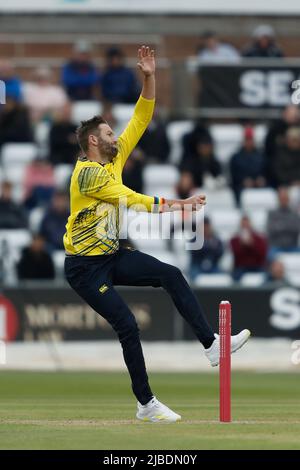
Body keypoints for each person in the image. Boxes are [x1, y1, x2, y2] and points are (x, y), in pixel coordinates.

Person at [64, 45, 250, 423]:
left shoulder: (112, 157)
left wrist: (149, 77)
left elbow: (142, 116)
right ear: (93, 142)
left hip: (112, 253)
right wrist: (179, 204)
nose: (117, 136)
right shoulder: (87, 173)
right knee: (128, 325)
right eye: (109, 132)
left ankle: (212, 345)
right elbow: (130, 199)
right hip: (85, 268)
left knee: (170, 273)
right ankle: (146, 404)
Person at [230, 126, 266, 204]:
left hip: (258, 186)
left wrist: (261, 179)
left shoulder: (261, 156)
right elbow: (233, 175)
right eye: (247, 139)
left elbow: (266, 171)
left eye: (250, 139)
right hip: (241, 187)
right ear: (243, 140)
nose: (249, 142)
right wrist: (243, 181)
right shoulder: (236, 157)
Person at [230, 215, 267, 281]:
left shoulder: (259, 238)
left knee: (266, 275)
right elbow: (236, 255)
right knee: (235, 276)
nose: (245, 226)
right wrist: (242, 245)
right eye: (243, 224)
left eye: (247, 224)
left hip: (257, 266)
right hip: (241, 266)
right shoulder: (235, 239)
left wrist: (252, 245)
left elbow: (262, 254)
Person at [267, 187, 300, 259]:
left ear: (288, 199)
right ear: (278, 199)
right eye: (282, 198)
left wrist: (280, 225)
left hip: (292, 246)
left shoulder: (294, 213)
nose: (283, 200)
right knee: (269, 257)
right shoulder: (272, 214)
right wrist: (288, 225)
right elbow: (271, 230)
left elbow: (296, 229)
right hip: (276, 246)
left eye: (285, 198)